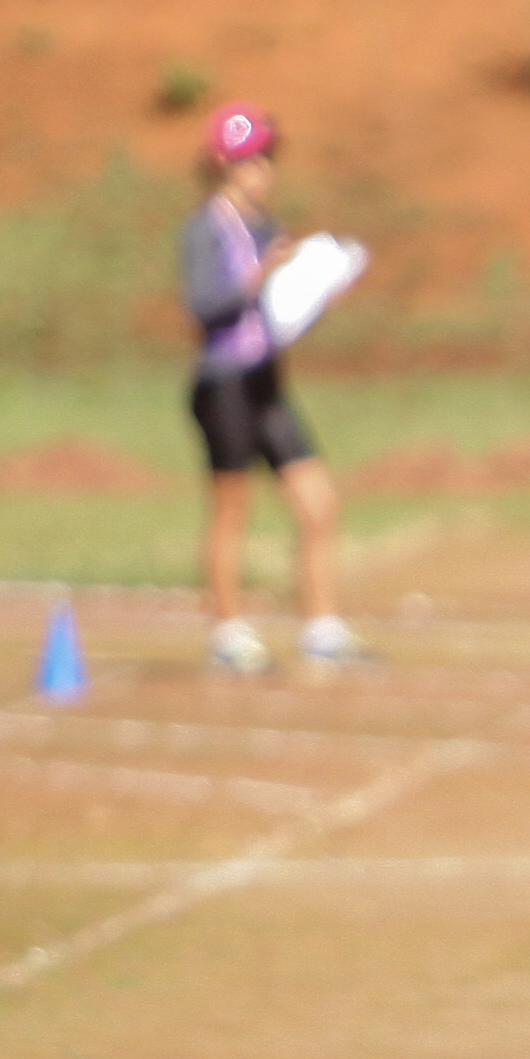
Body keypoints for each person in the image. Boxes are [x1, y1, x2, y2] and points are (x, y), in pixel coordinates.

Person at [177, 106, 365, 675]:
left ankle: (321, 627)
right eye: (248, 159)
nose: (261, 169)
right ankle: (228, 631)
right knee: (232, 508)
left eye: (266, 157)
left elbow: (273, 313)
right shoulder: (206, 228)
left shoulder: (264, 226)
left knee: (318, 502)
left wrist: (313, 291)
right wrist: (260, 274)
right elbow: (204, 306)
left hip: (265, 381)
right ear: (222, 164)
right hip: (222, 383)